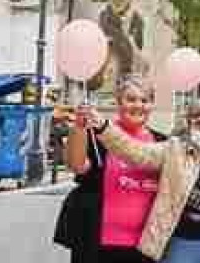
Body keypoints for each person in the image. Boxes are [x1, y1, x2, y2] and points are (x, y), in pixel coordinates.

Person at [90, 98, 200, 263]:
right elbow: (136, 152)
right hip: (179, 244)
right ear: (189, 126)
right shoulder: (174, 151)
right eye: (197, 123)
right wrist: (105, 128)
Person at [54, 76, 166, 263]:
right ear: (118, 102)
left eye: (144, 100)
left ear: (152, 104)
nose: (138, 105)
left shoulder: (163, 142)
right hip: (98, 245)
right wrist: (79, 127)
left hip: (146, 246)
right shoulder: (99, 136)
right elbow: (77, 165)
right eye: (130, 99)